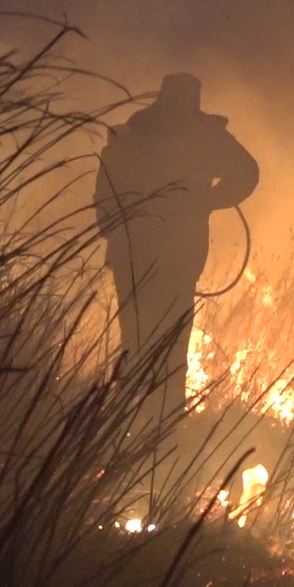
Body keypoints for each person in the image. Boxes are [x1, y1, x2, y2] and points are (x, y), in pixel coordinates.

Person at [94, 73, 258, 417]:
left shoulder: (130, 135)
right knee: (171, 343)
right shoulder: (204, 136)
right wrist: (209, 200)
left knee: (135, 339)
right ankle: (163, 424)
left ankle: (128, 420)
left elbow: (104, 198)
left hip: (133, 255)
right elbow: (247, 171)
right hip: (177, 256)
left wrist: (117, 234)